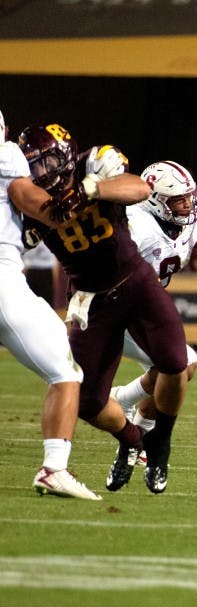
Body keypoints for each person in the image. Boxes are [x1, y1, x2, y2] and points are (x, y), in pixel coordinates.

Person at [12, 123, 189, 495]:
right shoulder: (26, 197)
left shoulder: (92, 163)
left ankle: (160, 444)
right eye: (34, 165)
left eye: (45, 163)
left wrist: (90, 188)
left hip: (135, 281)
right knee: (87, 399)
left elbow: (140, 187)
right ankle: (131, 438)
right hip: (89, 299)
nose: (40, 173)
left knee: (176, 361)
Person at [108, 161, 197, 481]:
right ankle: (123, 407)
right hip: (116, 308)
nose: (188, 205)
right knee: (181, 365)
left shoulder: (196, 211)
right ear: (154, 201)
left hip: (147, 308)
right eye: (179, 200)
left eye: (190, 196)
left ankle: (134, 435)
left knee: (175, 371)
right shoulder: (137, 226)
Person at [0, 110, 98, 500]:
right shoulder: (6, 155)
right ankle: (54, 468)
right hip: (3, 282)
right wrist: (87, 191)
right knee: (65, 371)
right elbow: (43, 208)